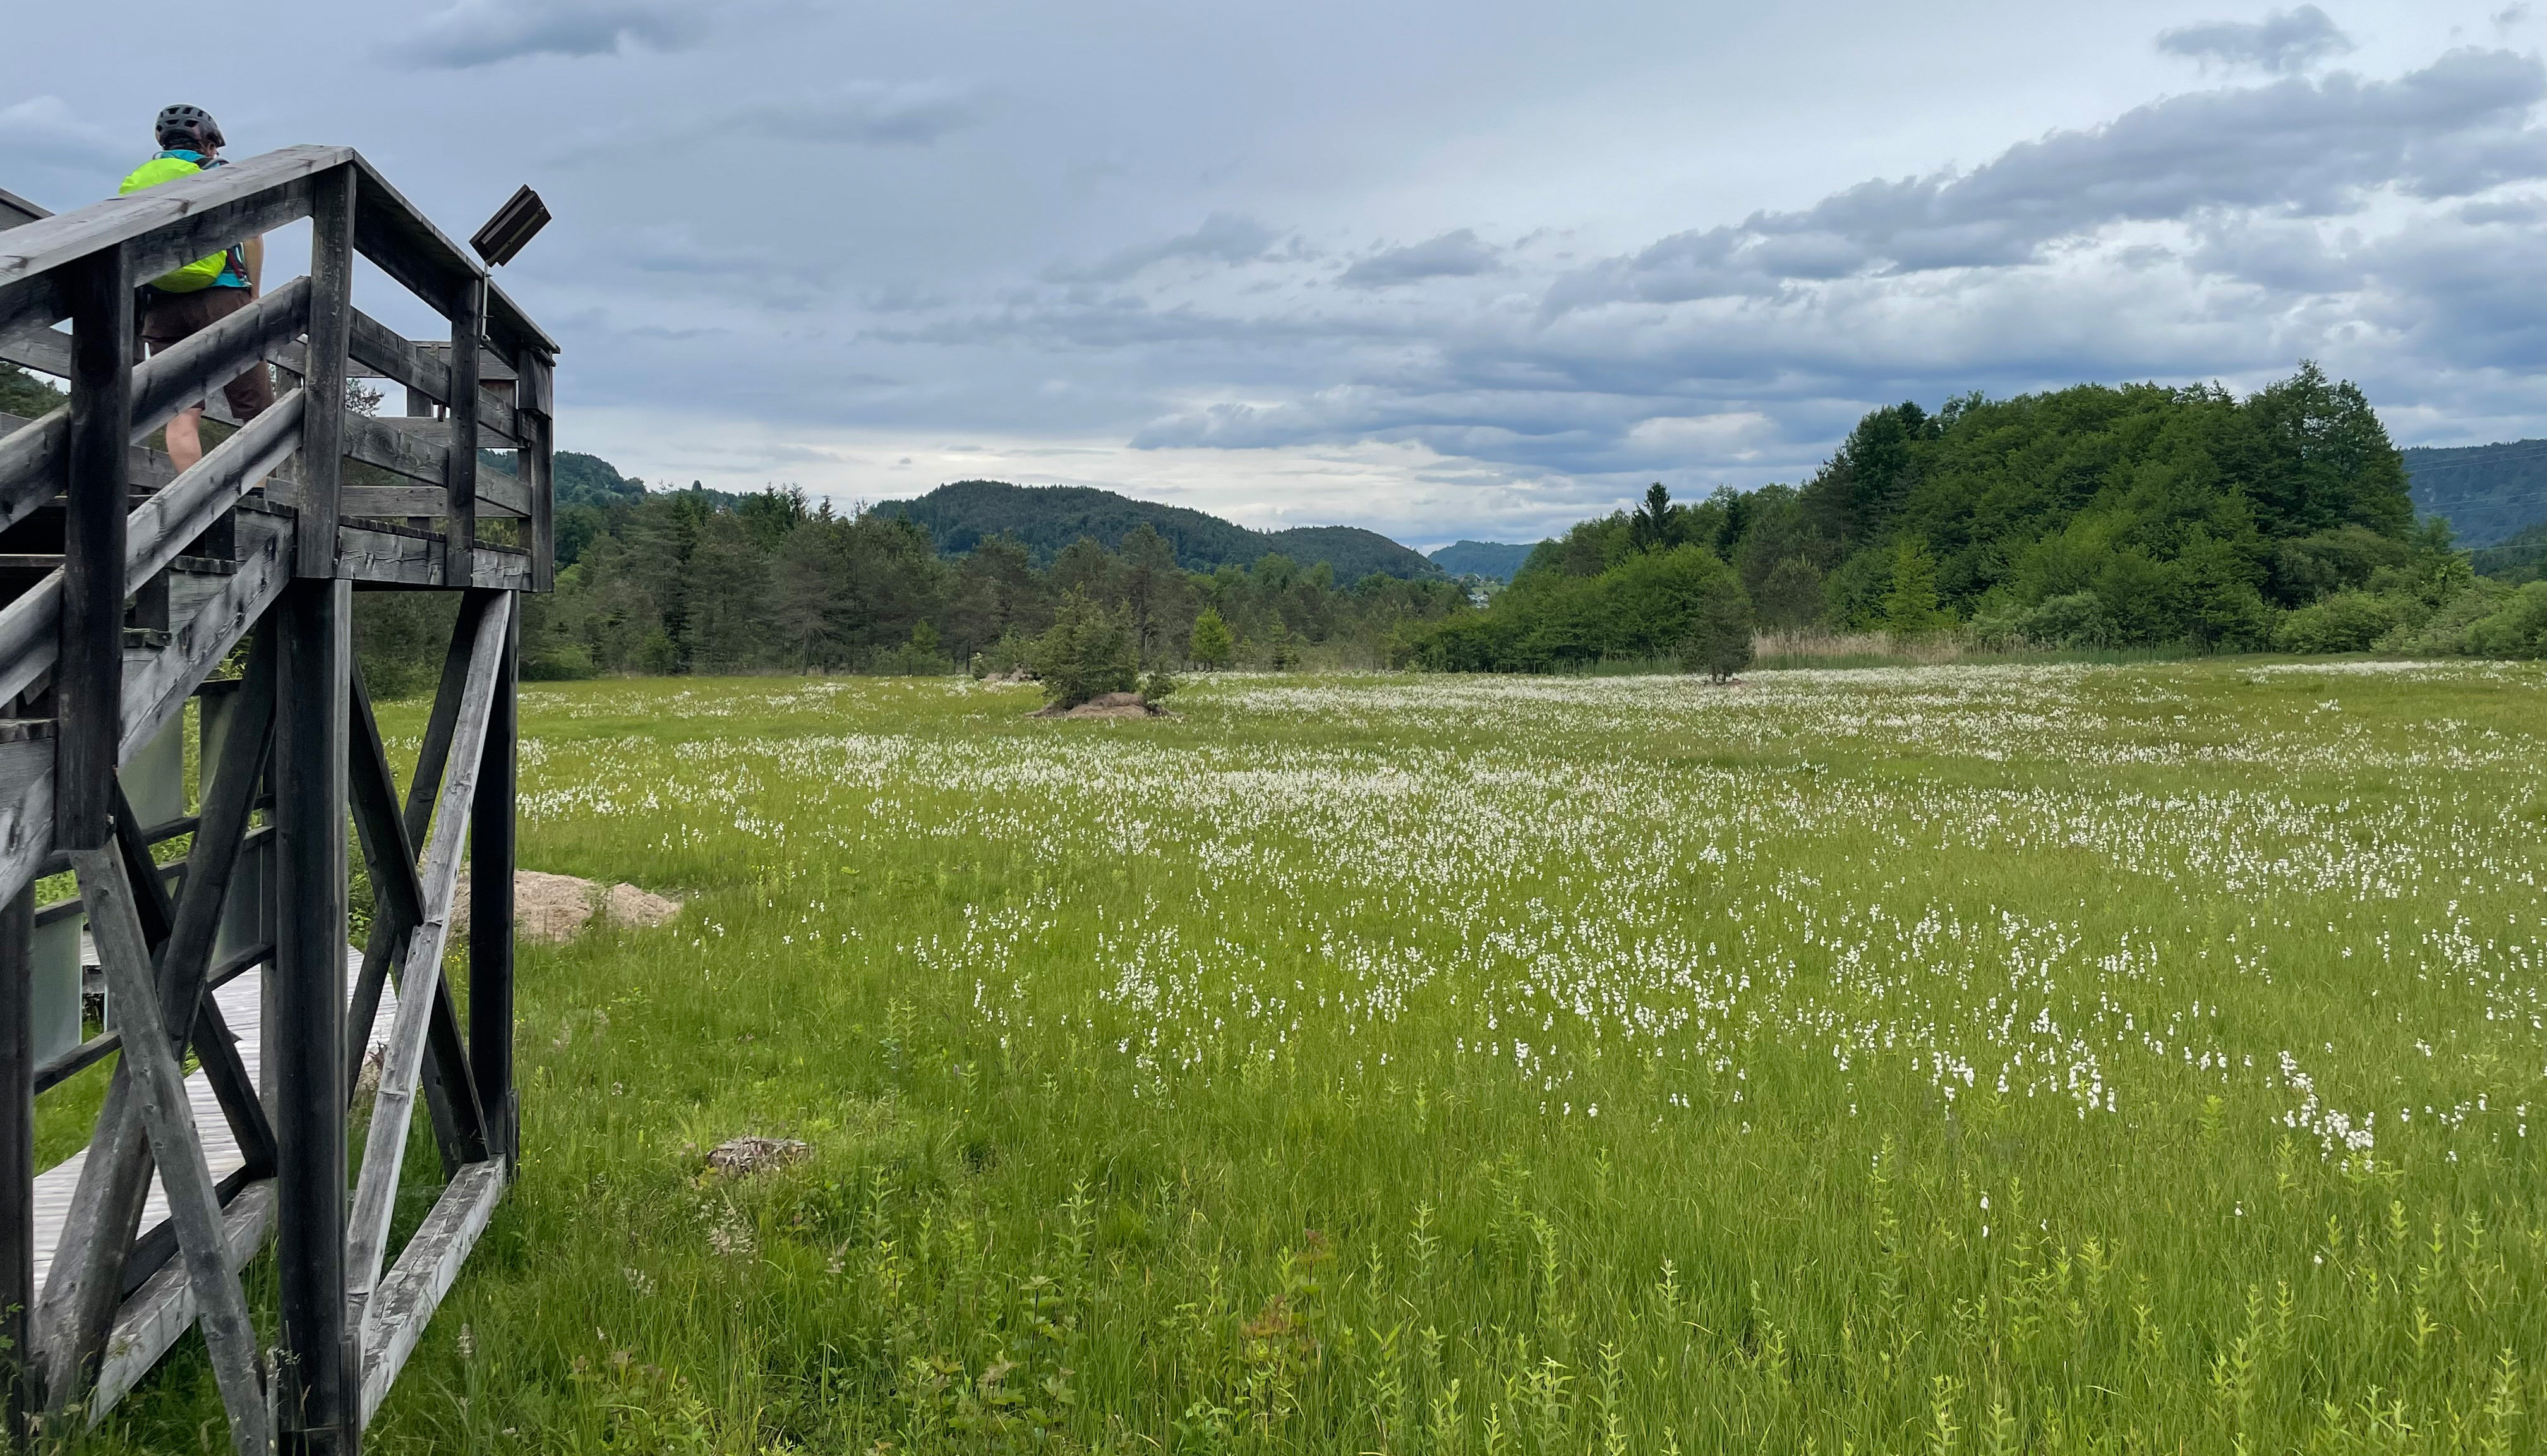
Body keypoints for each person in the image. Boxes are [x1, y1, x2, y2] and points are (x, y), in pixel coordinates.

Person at [120, 104, 273, 471]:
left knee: (181, 409)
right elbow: (251, 235)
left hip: (160, 303)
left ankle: (190, 499)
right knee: (255, 408)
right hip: (221, 293)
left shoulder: (139, 179)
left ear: (162, 141)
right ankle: (252, 497)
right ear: (208, 143)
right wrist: (253, 293)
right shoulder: (217, 172)